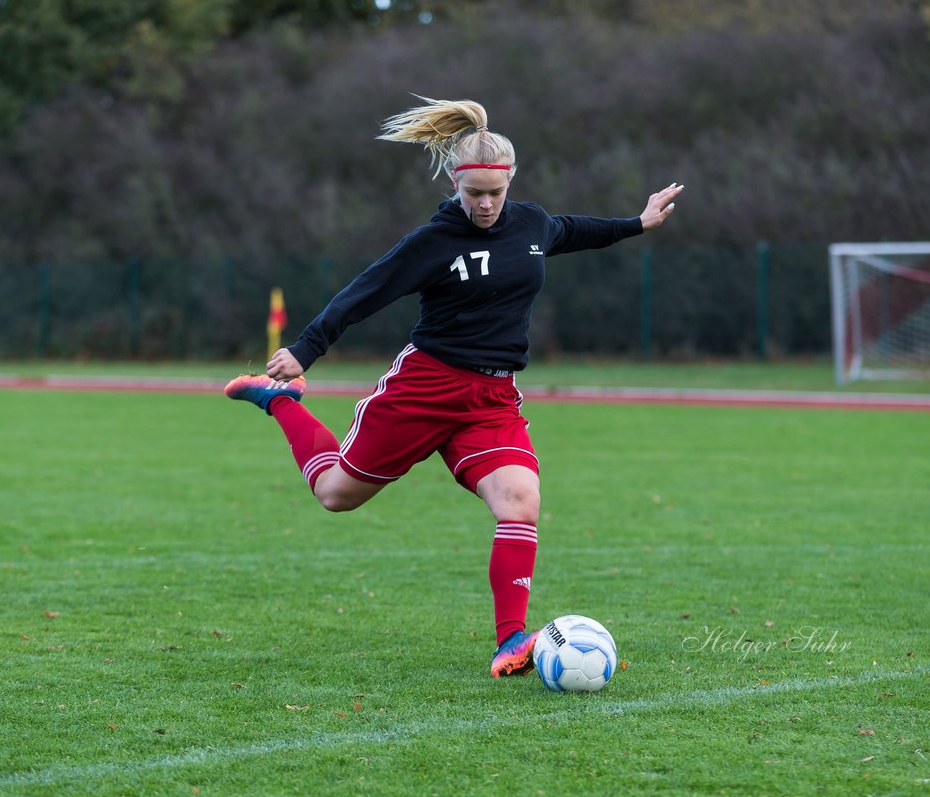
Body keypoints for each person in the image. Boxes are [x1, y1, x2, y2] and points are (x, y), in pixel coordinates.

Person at [225, 96, 683, 678]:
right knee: (335, 495)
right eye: (474, 195)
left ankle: (511, 639)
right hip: (425, 387)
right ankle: (281, 404)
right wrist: (307, 348)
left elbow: (572, 231)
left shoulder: (532, 223)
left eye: (495, 192)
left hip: (492, 399)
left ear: (510, 180)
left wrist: (637, 223)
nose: (486, 204)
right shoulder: (433, 242)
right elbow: (366, 292)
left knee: (521, 502)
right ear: (454, 183)